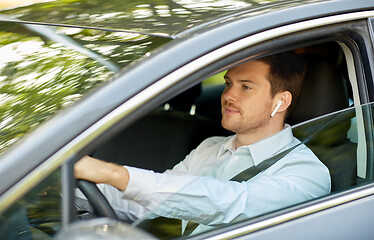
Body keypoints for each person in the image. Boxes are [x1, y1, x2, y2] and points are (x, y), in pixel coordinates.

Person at [75, 51, 331, 235]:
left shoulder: (306, 174)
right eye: (228, 84)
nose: (229, 95)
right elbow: (156, 205)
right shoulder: (210, 147)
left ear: (281, 102)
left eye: (246, 87)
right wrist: (64, 185)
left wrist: (110, 172)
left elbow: (231, 204)